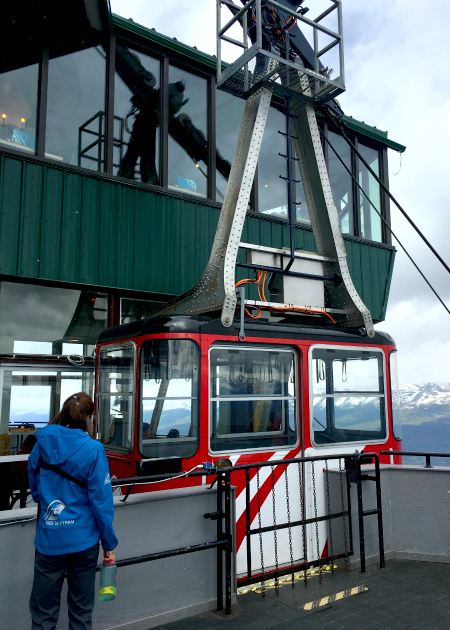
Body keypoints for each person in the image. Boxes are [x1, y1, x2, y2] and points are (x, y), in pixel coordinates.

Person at [28, 392, 118, 630]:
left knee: (43, 614)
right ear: (88, 418)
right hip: (84, 543)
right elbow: (101, 502)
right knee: (80, 613)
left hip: (49, 541)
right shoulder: (94, 449)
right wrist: (109, 543)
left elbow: (36, 493)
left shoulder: (40, 446)